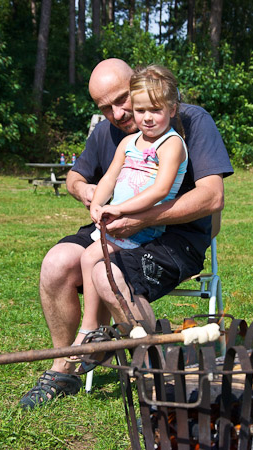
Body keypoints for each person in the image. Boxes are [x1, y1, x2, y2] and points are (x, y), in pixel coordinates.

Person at [19, 58, 233, 409]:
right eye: (105, 107)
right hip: (117, 226)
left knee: (108, 275)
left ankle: (156, 381)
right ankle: (65, 369)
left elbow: (212, 196)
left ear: (137, 84)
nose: (117, 113)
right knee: (57, 264)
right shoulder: (108, 133)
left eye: (121, 100)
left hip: (176, 236)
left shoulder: (191, 121)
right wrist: (86, 193)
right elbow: (77, 177)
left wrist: (144, 218)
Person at [69, 65, 188, 355]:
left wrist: (119, 209)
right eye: (141, 110)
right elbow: (108, 178)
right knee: (88, 258)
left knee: (94, 259)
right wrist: (97, 202)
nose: (146, 118)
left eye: (155, 110)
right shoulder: (128, 142)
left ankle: (90, 329)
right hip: (118, 219)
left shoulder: (171, 144)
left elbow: (160, 190)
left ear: (172, 110)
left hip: (143, 226)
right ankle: (91, 326)